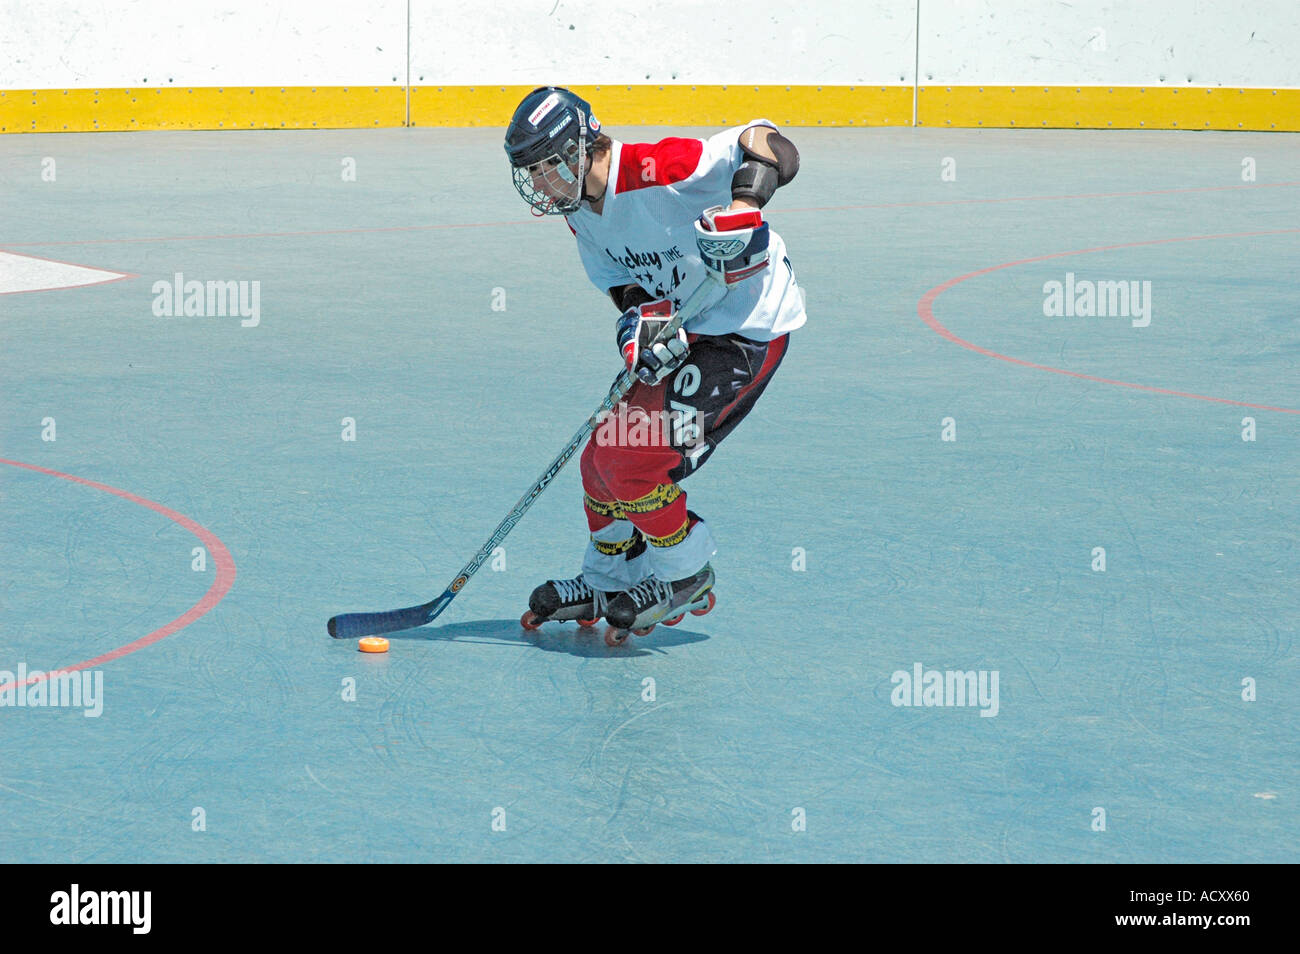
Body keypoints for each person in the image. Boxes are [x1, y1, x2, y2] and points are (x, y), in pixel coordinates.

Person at [503, 86, 805, 642]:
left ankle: (685, 571)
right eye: (531, 171)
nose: (541, 184)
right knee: (599, 461)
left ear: (582, 147)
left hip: (746, 331)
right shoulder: (579, 213)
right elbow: (623, 284)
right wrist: (638, 326)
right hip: (690, 331)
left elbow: (766, 142)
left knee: (636, 465)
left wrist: (743, 209)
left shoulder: (652, 169)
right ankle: (612, 578)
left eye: (548, 166)